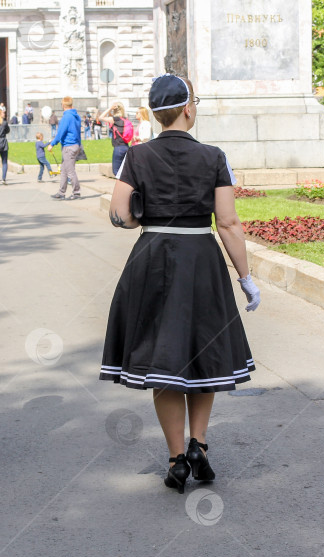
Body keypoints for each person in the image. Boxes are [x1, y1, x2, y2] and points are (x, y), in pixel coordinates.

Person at [100, 74, 260, 495]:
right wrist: (245, 278)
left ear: (155, 114)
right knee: (203, 350)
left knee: (164, 358)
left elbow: (120, 214)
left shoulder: (136, 156)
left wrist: (146, 217)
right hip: (200, 258)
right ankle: (199, 445)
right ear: (189, 109)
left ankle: (175, 458)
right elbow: (227, 222)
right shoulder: (213, 157)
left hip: (152, 256)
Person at [47, 96, 83, 200]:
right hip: (75, 145)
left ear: (63, 105)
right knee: (64, 170)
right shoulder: (77, 116)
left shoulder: (66, 117)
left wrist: (52, 144)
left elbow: (60, 133)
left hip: (68, 146)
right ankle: (61, 192)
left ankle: (76, 192)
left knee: (70, 171)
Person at [99, 102, 131, 175]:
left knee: (116, 171)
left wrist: (110, 108)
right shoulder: (126, 120)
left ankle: (122, 185)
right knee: (124, 171)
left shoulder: (115, 119)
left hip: (118, 148)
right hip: (126, 146)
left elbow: (101, 117)